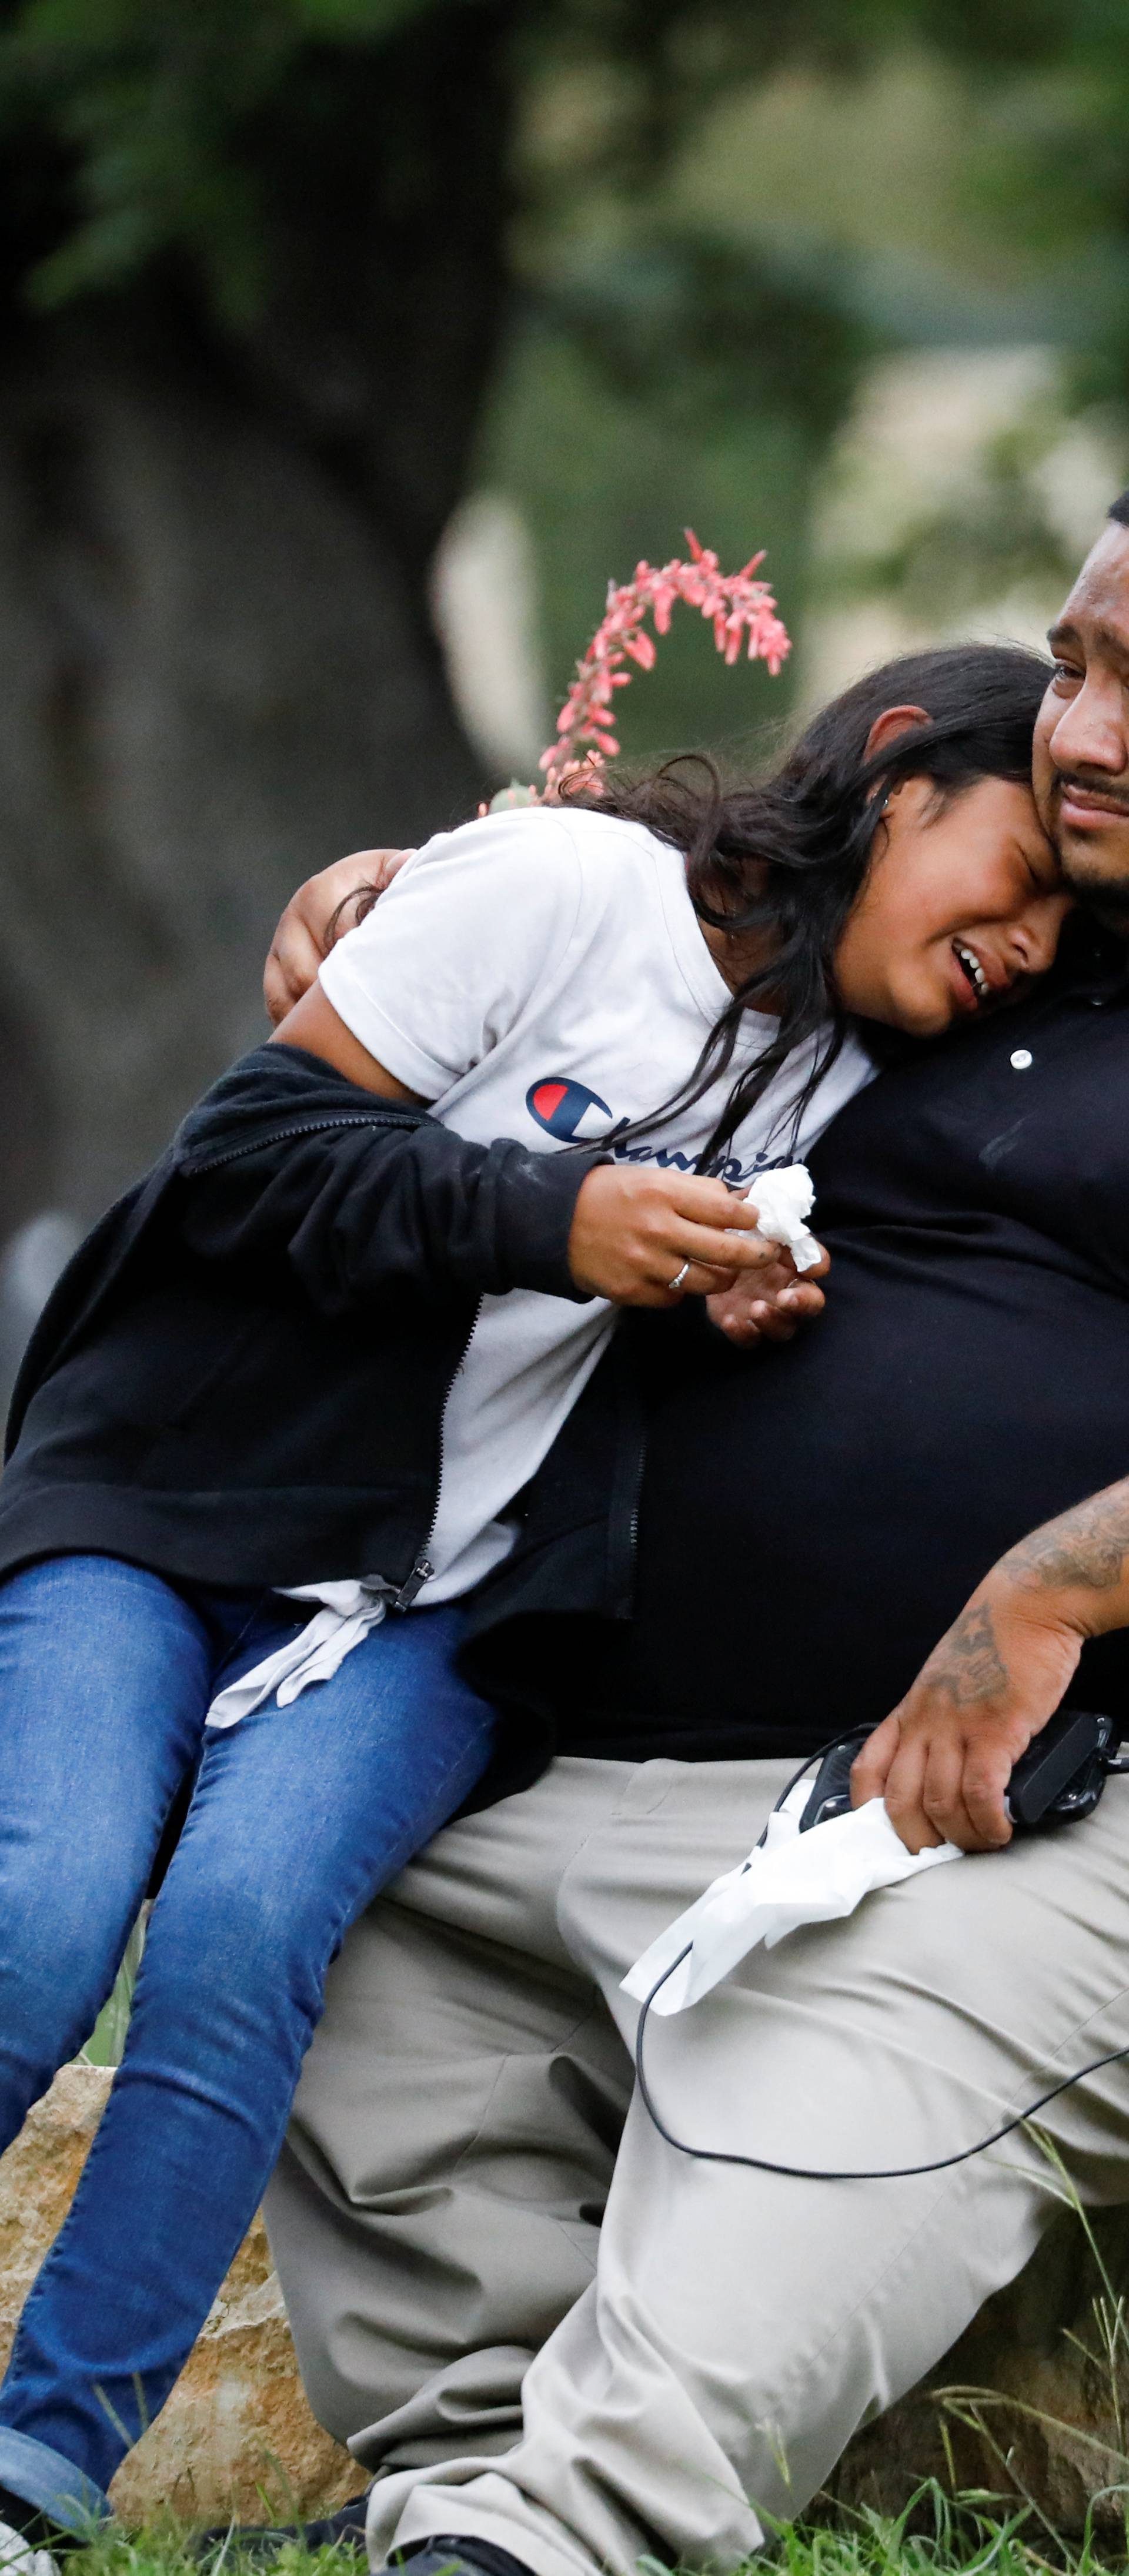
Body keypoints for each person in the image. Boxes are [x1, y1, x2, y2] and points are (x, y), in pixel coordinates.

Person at [0, 644, 1061, 2558]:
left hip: (426, 1605)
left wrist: (705, 1301)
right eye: (1028, 874)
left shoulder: (836, 1070)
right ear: (897, 771)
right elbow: (246, 1155)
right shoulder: (568, 887)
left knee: (247, 1938)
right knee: (42, 1903)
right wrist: (552, 1213)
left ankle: (35, 2476)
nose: (1045, 940)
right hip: (177, 1515)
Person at [256, 497, 1129, 2576]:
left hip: (1003, 1801)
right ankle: (458, 2487)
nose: (1084, 733)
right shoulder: (1008, 923)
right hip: (627, 1754)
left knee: (853, 2015)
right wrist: (398, 902)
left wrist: (1063, 1576)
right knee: (369, 1938)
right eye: (1081, 663)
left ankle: (565, 2544)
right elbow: (650, 940)